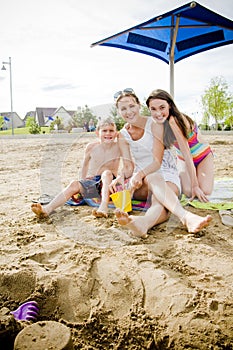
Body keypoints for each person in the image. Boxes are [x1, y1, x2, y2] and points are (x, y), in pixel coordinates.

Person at [111, 88, 212, 238]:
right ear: (118, 112)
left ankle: (145, 223)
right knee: (161, 193)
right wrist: (120, 177)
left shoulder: (155, 124)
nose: (129, 112)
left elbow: (157, 162)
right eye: (123, 109)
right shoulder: (122, 135)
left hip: (164, 170)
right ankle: (186, 217)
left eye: (132, 106)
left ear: (139, 106)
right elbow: (127, 166)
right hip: (140, 178)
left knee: (158, 194)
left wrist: (139, 174)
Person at [31, 117, 133, 219]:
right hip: (92, 182)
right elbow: (84, 166)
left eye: (111, 131)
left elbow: (124, 135)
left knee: (106, 173)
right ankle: (47, 209)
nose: (108, 133)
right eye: (104, 131)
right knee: (74, 184)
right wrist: (82, 180)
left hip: (109, 183)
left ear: (116, 133)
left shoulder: (118, 147)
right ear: (97, 133)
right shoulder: (91, 147)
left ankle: (103, 206)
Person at [146, 89, 214, 202]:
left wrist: (195, 185)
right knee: (187, 192)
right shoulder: (158, 125)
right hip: (182, 159)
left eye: (162, 107)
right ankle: (194, 177)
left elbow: (187, 153)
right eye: (153, 109)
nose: (158, 113)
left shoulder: (174, 121)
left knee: (204, 191)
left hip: (202, 157)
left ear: (170, 106)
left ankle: (201, 176)